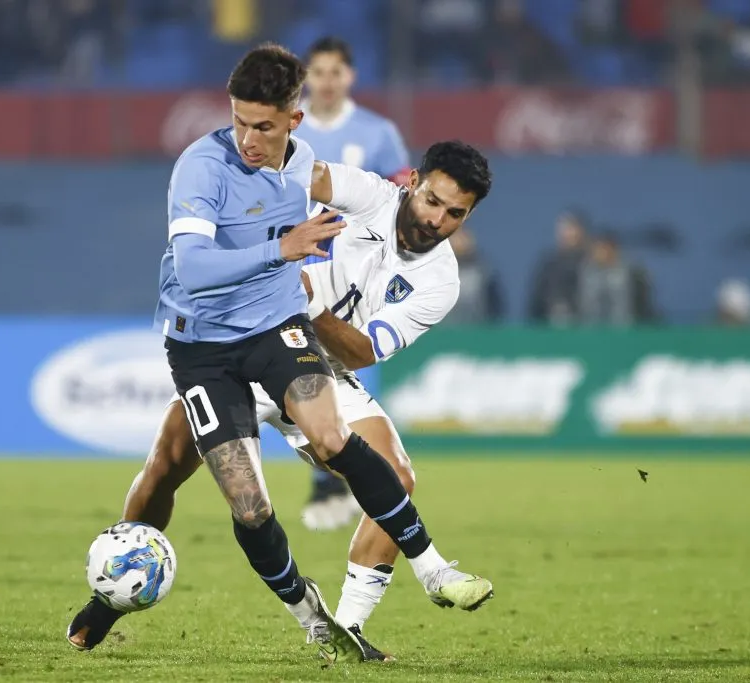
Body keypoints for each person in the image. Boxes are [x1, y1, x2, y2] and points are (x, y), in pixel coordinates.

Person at [67, 43, 493, 663]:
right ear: (413, 183)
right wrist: (281, 231)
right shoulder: (364, 192)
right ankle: (112, 598)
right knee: (174, 468)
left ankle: (357, 618)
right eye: (432, 200)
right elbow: (300, 184)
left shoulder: (441, 281)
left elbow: (366, 351)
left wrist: (303, 294)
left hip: (303, 341)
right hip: (225, 337)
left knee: (388, 466)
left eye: (455, 214)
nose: (437, 218)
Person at [294, 35, 412, 531]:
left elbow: (405, 191)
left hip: (358, 273)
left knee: (345, 361)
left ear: (350, 77)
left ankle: (335, 477)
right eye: (317, 72)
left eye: (334, 72)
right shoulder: (288, 125)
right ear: (307, 78)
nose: (325, 81)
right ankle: (329, 476)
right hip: (296, 265)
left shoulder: (377, 132)